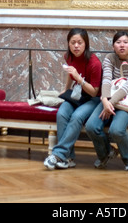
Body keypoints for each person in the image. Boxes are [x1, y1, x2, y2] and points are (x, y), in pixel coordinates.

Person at [86, 31, 128, 172]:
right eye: (118, 42)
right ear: (113, 46)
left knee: (116, 130)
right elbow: (106, 80)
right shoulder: (109, 58)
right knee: (91, 126)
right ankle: (106, 154)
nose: (122, 45)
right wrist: (105, 101)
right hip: (108, 99)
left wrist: (109, 103)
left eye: (125, 42)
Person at [44, 28, 102, 170]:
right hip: (76, 95)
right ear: (68, 44)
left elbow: (94, 92)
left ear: (86, 44)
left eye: (79, 43)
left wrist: (78, 78)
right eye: (73, 42)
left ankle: (58, 155)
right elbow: (70, 73)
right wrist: (66, 89)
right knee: (62, 113)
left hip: (92, 99)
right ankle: (68, 158)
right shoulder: (68, 56)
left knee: (76, 116)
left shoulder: (95, 63)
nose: (76, 46)